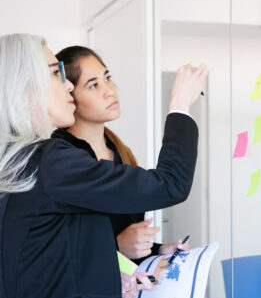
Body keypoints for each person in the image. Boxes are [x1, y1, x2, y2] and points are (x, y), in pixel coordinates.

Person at [0, 33, 208, 298]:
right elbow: (171, 184)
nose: (67, 87)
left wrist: (117, 270)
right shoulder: (51, 162)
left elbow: (64, 252)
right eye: (56, 74)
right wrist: (180, 105)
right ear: (24, 87)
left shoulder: (23, 162)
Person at [53, 46, 189, 264]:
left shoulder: (120, 152)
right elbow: (55, 251)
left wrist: (158, 250)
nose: (109, 90)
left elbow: (125, 244)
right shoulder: (59, 158)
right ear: (70, 96)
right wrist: (116, 245)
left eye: (107, 78)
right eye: (94, 85)